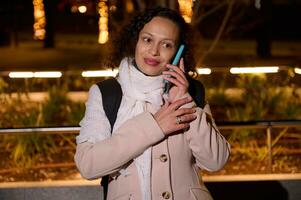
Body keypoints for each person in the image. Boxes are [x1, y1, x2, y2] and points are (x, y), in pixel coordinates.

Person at [75, 7, 230, 200]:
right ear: (135, 41)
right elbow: (88, 165)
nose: (154, 51)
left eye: (166, 45)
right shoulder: (107, 93)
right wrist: (153, 126)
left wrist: (185, 102)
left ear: (178, 52)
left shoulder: (191, 91)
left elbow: (215, 161)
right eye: (147, 40)